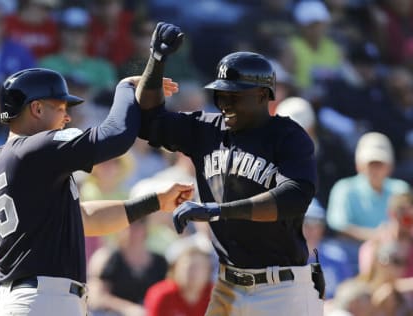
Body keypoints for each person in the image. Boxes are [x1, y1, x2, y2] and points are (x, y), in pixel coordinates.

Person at [135, 22, 323, 315]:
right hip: (228, 286)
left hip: (283, 289)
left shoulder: (288, 136)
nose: (225, 103)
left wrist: (219, 210)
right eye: (221, 95)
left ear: (263, 96)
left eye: (235, 96)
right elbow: (148, 121)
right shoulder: (206, 130)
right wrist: (156, 61)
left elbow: (294, 196)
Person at [0, 66, 193, 316]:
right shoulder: (34, 149)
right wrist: (125, 88)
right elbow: (116, 136)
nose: (67, 116)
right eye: (60, 108)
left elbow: (85, 218)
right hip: (43, 300)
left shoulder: (2, 163)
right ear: (36, 109)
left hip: (32, 299)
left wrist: (153, 202)